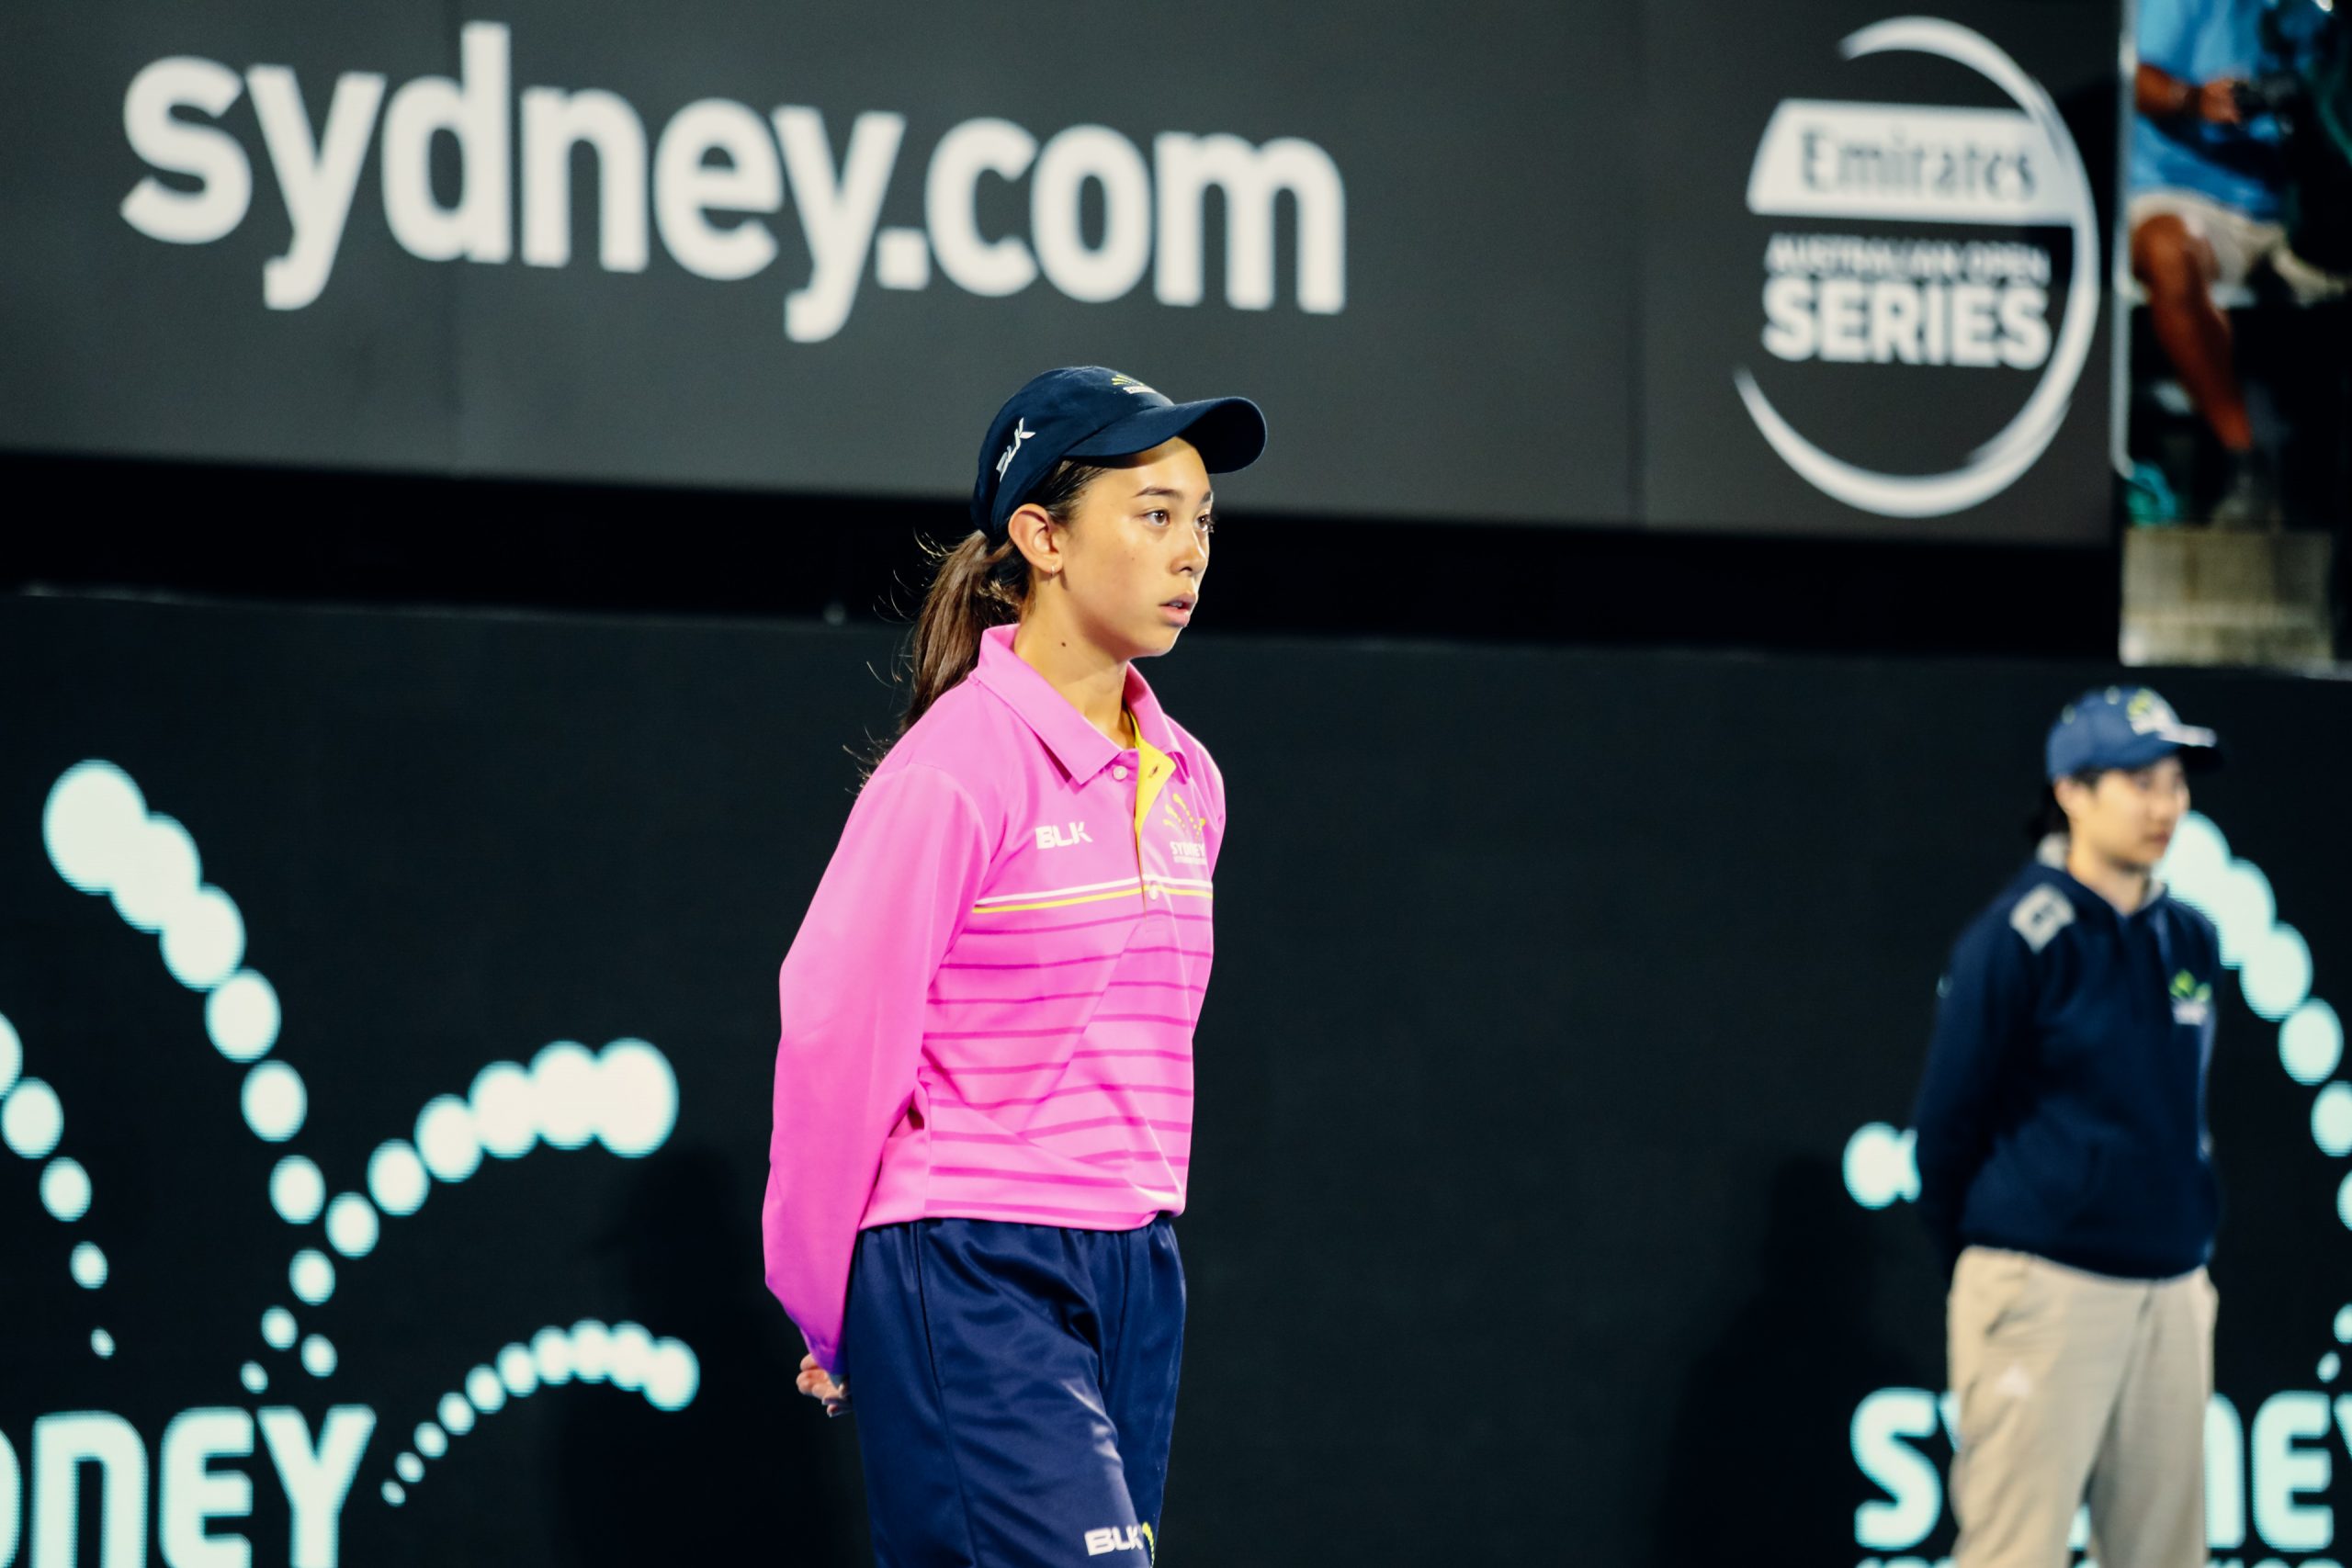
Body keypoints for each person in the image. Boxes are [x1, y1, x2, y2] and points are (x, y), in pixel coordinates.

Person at [761, 366, 1264, 1566]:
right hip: (972, 1254)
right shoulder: (955, 769)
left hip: (1136, 1267)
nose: (1189, 551)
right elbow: (836, 1034)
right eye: (1152, 513)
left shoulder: (1189, 778)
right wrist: (823, 1303)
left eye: (1201, 518)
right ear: (1041, 533)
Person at [1910, 687, 2224, 1568]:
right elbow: (1945, 1127)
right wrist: (2005, 1257)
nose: (2167, 805)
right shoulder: (2016, 940)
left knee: (2166, 1555)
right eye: (2139, 781)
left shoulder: (2192, 938)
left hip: (2171, 1294)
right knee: (2016, 1552)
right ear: (2072, 792)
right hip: (2044, 1290)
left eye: (2175, 781)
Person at [2130, 0, 2342, 525]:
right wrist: (2192, 99)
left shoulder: (2322, 19)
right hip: (2187, 197)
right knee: (2170, 253)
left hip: (2294, 212)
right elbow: (2134, 77)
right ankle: (2245, 459)